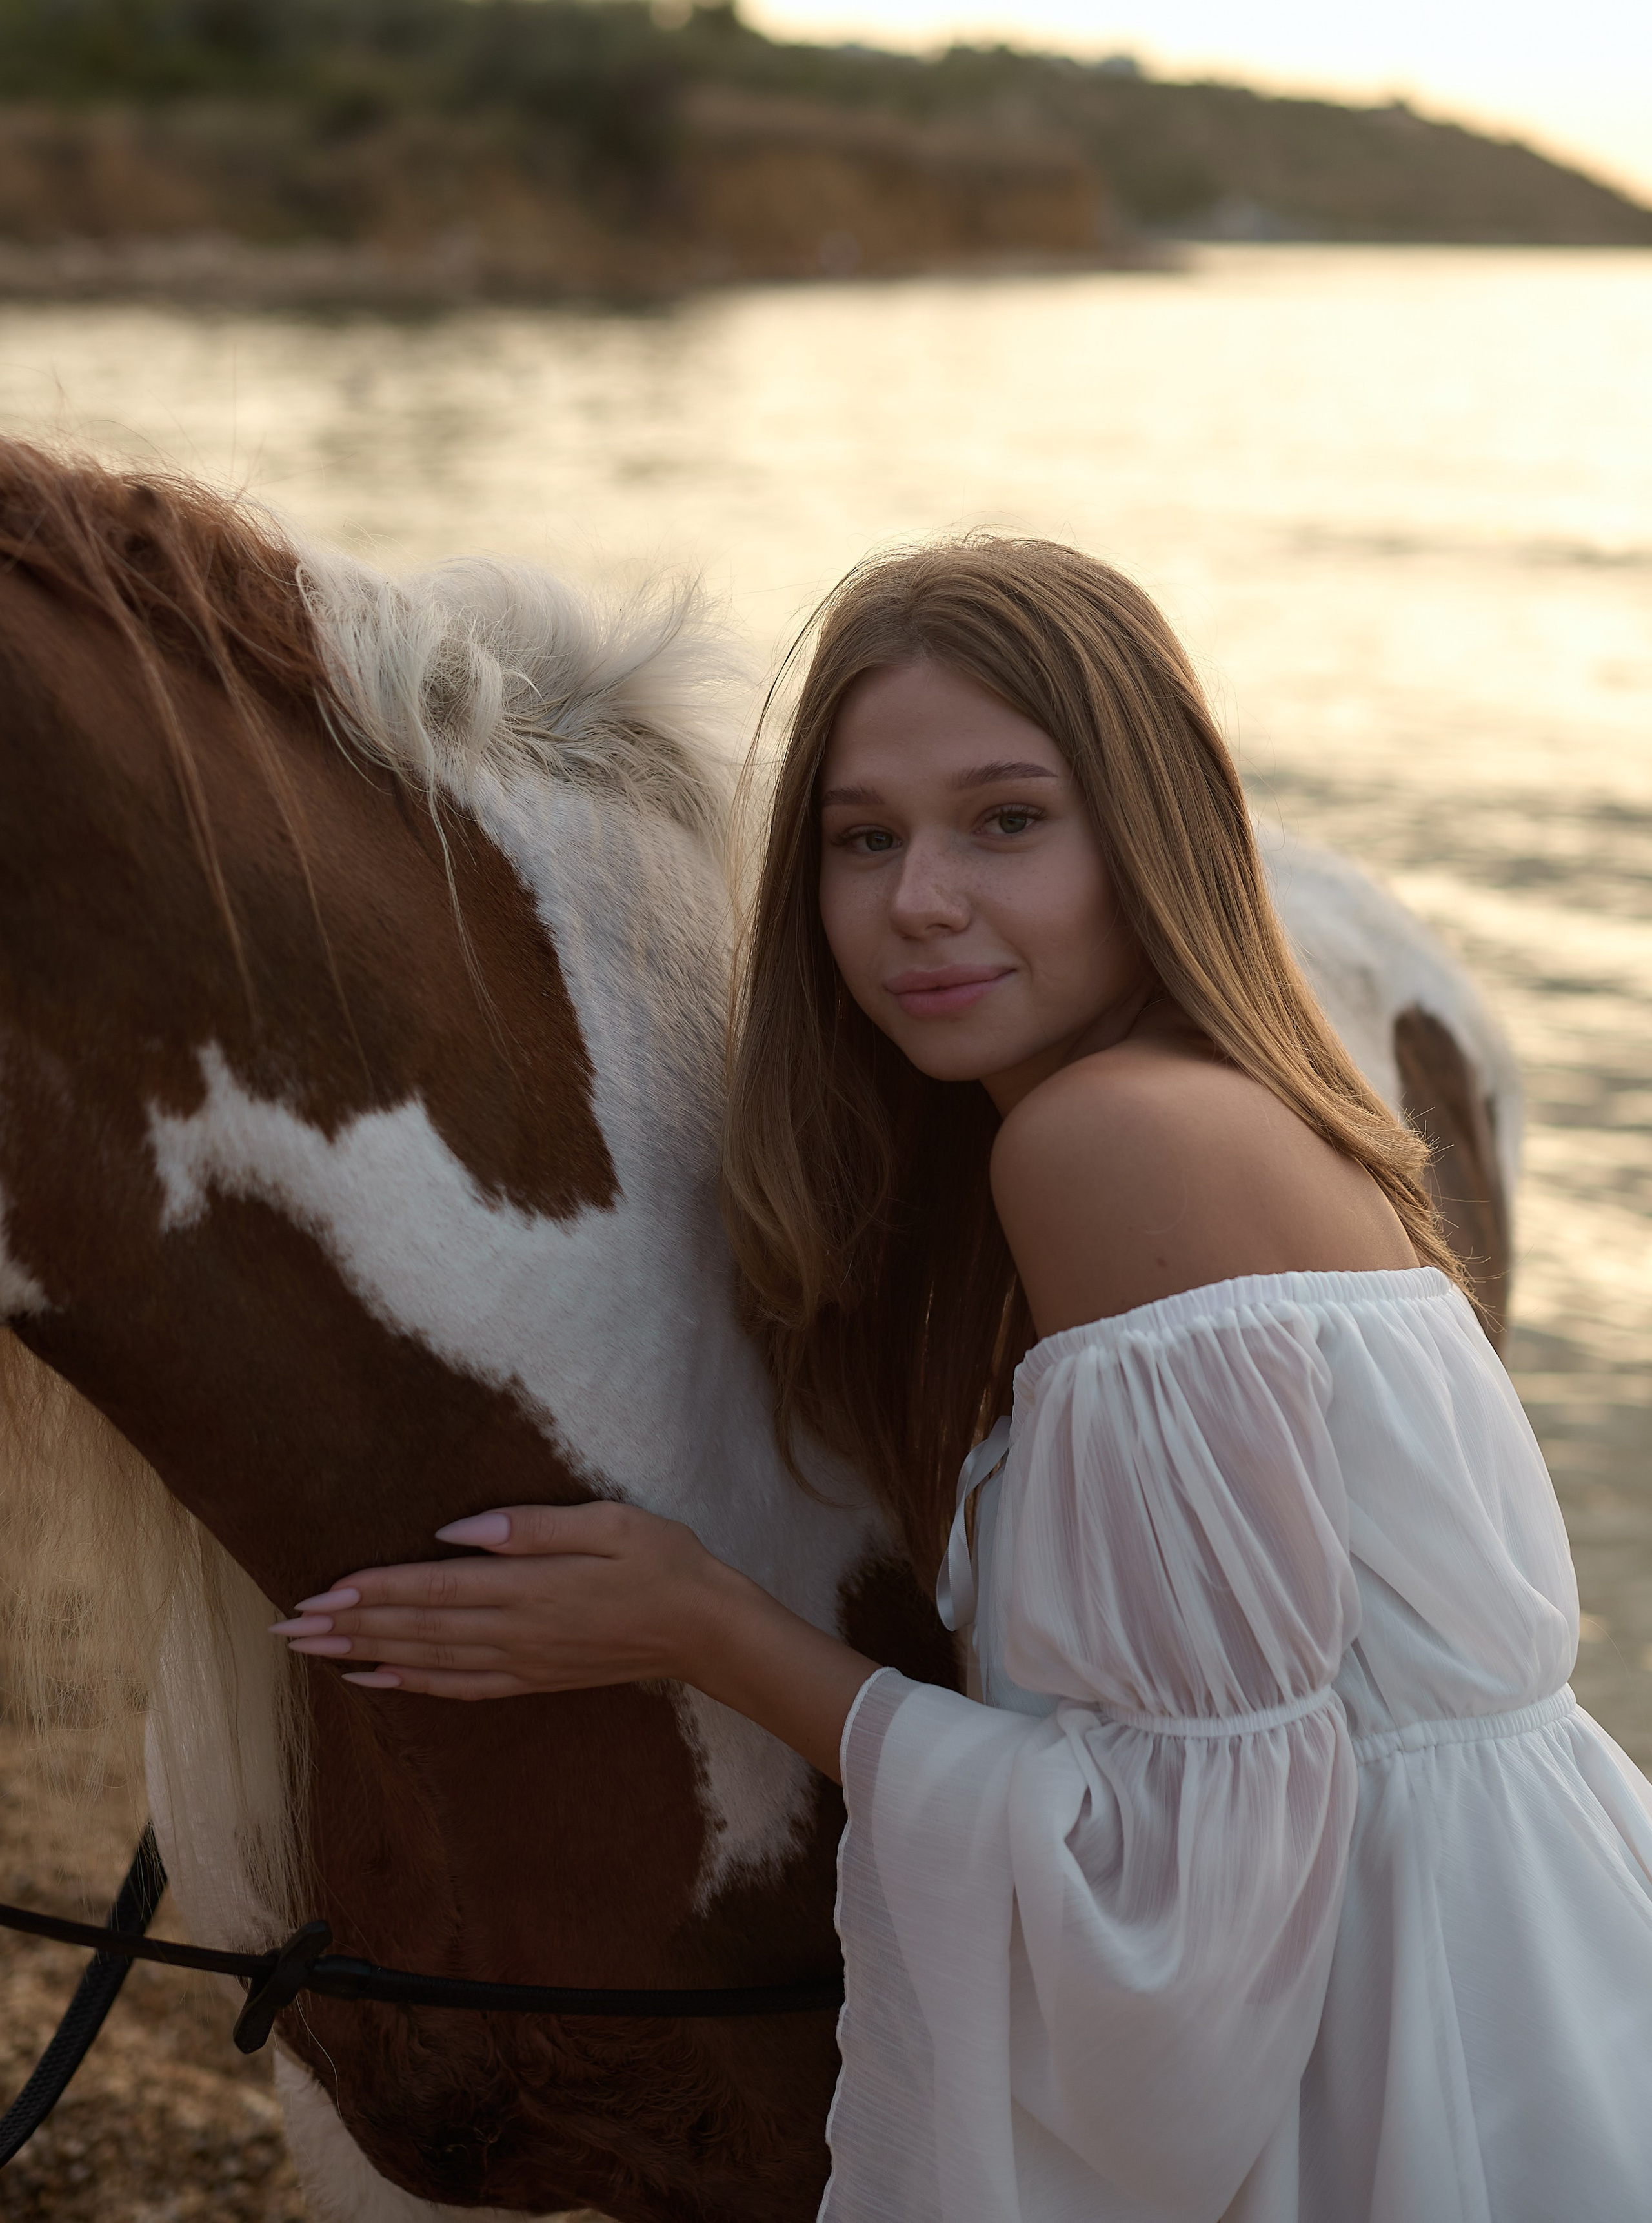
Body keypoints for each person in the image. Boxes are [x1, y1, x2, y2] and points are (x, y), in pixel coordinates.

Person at [272, 539, 1652, 2221]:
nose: (921, 898)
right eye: (864, 838)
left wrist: (701, 1625)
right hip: (1519, 1964)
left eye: (1007, 820)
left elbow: (1176, 1871)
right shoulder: (1208, 1106)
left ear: (1153, 833)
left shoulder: (1111, 1143)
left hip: (1407, 2038)